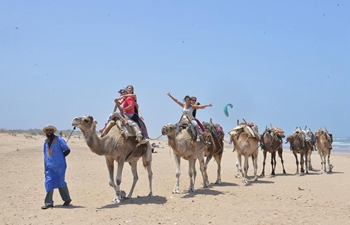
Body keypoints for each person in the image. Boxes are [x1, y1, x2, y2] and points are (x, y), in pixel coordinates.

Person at [41, 125, 72, 209]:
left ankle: (67, 199)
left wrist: (60, 158)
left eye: (50, 130)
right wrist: (45, 167)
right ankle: (48, 203)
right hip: (49, 167)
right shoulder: (45, 142)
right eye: (47, 131)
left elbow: (67, 150)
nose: (49, 132)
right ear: (46, 132)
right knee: (48, 182)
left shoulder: (59, 140)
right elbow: (45, 155)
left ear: (53, 131)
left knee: (60, 182)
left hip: (60, 166)